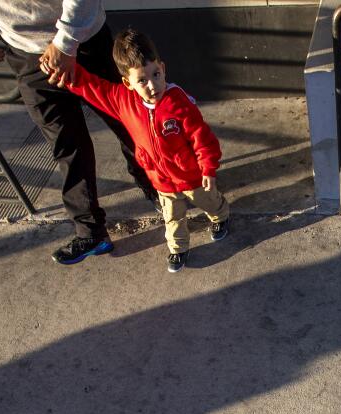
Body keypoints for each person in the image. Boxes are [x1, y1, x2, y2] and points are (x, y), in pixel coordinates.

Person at [0, 0, 156, 265]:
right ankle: (90, 231)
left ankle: (155, 183)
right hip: (28, 55)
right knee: (66, 144)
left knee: (129, 122)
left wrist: (65, 43)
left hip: (85, 42)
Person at [63, 28, 230, 272]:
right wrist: (66, 73)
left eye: (156, 74)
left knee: (209, 202)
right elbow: (93, 87)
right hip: (161, 181)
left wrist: (208, 168)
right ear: (127, 82)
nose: (152, 85)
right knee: (172, 218)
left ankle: (221, 216)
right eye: (142, 80)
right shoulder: (123, 101)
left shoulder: (178, 102)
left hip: (192, 176)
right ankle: (178, 249)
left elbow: (201, 137)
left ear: (163, 68)